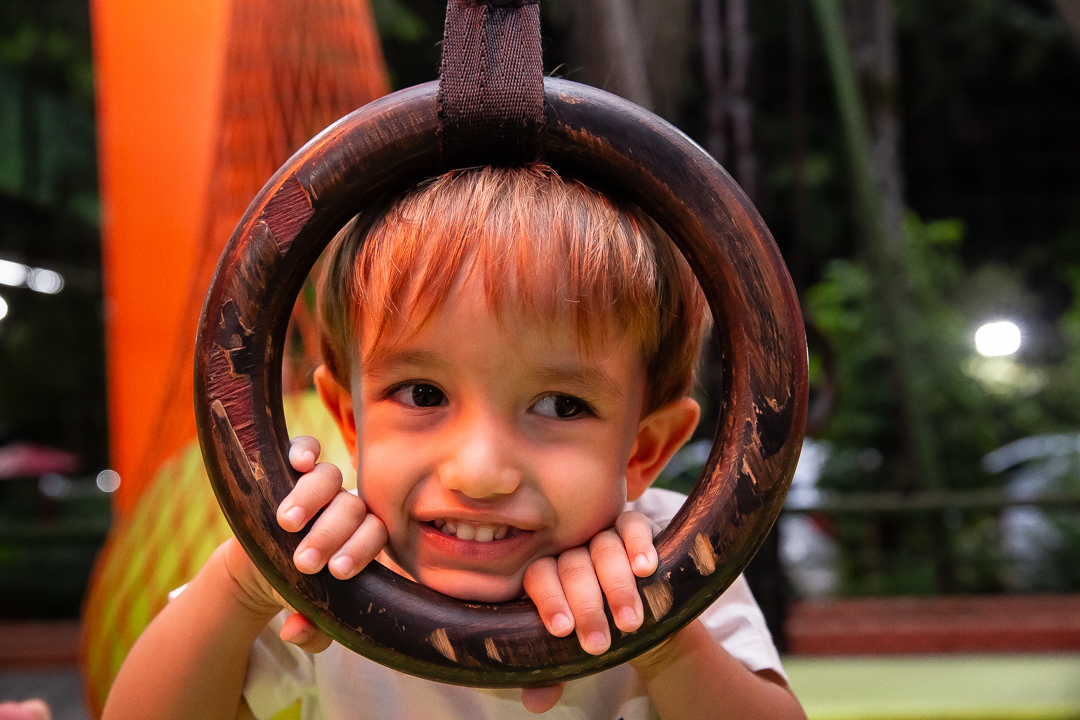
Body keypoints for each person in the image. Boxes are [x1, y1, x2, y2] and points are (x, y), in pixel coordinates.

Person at [102, 166, 805, 720]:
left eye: (561, 405)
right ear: (350, 419)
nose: (481, 472)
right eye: (423, 395)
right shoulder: (339, 568)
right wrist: (241, 585)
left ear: (644, 451)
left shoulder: (665, 555)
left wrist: (666, 643)